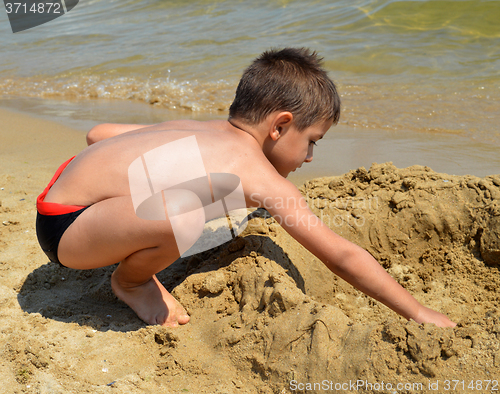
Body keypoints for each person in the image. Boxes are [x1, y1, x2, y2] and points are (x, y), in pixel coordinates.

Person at [36, 48, 456, 328]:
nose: (309, 158)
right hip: (67, 234)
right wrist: (418, 311)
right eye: (312, 142)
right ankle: (130, 282)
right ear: (280, 125)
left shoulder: (203, 129)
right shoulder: (259, 177)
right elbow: (341, 255)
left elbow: (97, 134)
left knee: (187, 191)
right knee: (187, 212)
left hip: (64, 188)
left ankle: (129, 232)